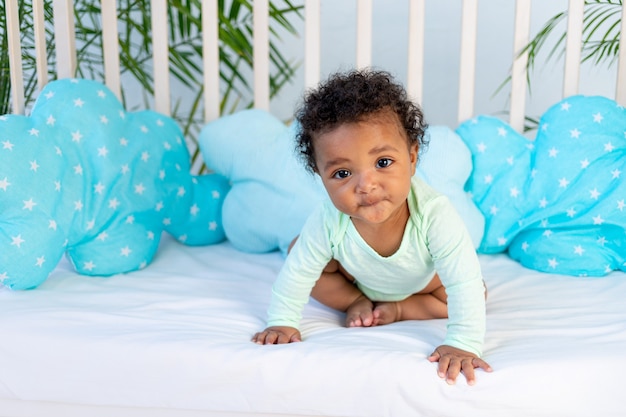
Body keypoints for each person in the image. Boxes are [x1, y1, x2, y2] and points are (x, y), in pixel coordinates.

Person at [252, 69, 491, 385]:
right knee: (299, 250)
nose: (366, 185)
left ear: (412, 157)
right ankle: (354, 301)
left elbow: (462, 282)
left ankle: (400, 310)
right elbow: (298, 272)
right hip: (356, 278)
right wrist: (282, 321)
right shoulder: (328, 219)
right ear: (321, 178)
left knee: (474, 290)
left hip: (423, 285)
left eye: (383, 163)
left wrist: (463, 343)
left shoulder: (434, 214)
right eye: (342, 174)